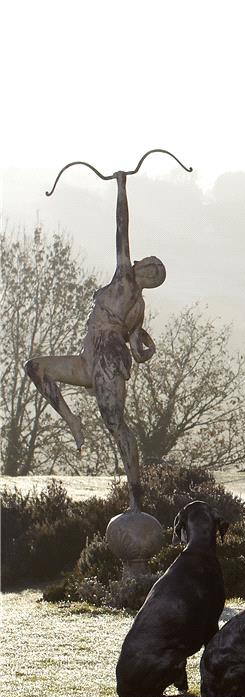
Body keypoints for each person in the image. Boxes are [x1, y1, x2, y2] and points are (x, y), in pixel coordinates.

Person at [25, 171, 164, 509]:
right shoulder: (124, 283)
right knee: (35, 367)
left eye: (151, 272)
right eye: (147, 265)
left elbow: (122, 229)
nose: (143, 268)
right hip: (88, 354)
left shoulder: (131, 292)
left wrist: (121, 188)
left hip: (107, 358)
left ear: (149, 279)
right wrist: (144, 348)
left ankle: (135, 495)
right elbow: (137, 346)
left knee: (116, 424)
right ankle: (72, 420)